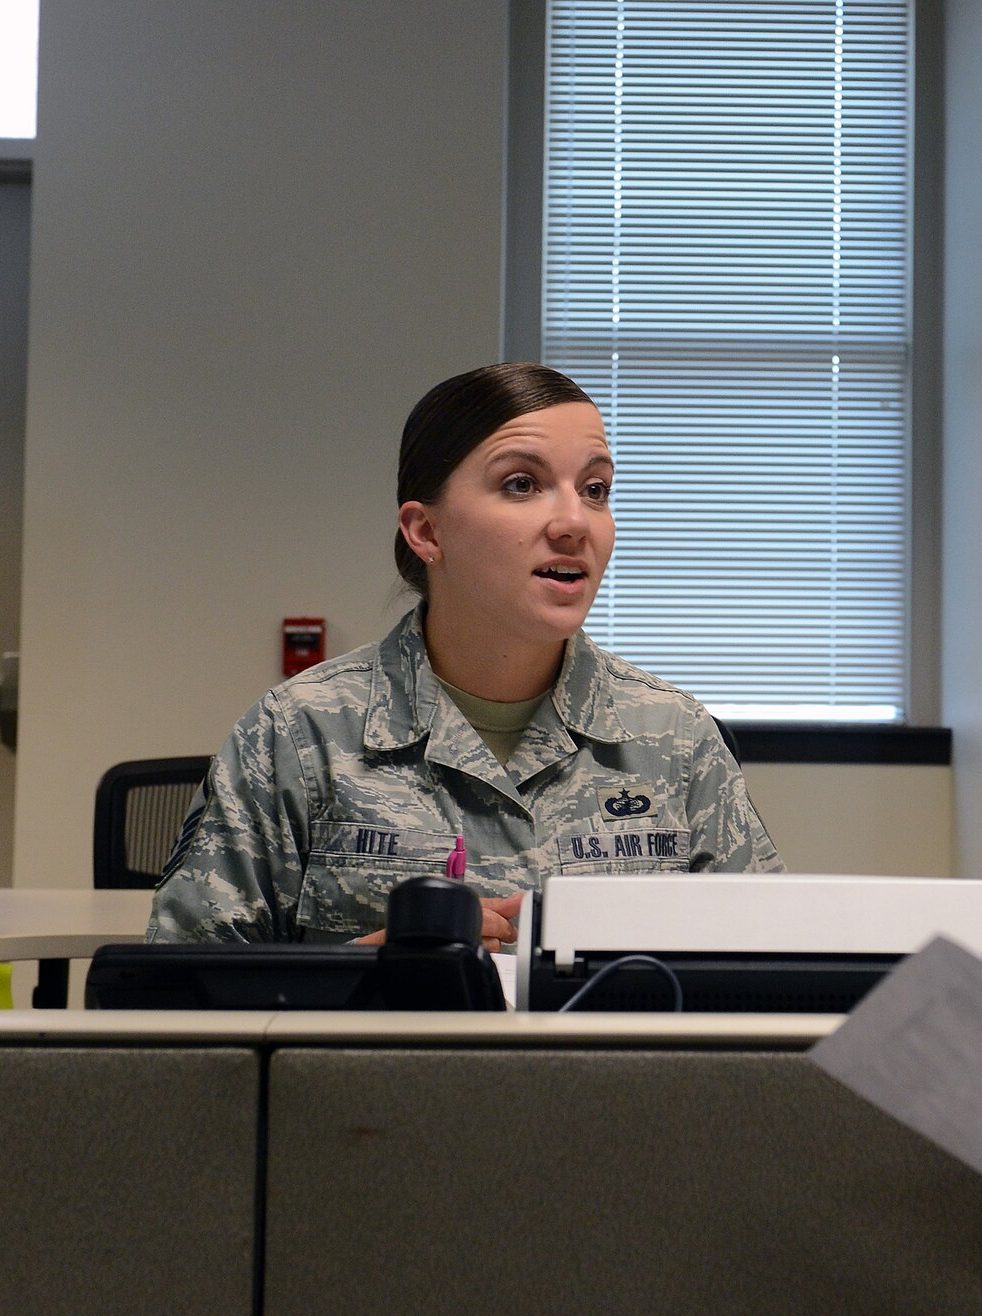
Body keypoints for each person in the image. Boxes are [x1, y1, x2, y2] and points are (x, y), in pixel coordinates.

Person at [148, 362, 782, 947]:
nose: (575, 522)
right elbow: (175, 995)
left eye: (596, 489)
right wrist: (367, 972)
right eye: (521, 484)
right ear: (426, 531)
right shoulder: (298, 735)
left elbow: (771, 971)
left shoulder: (673, 738)